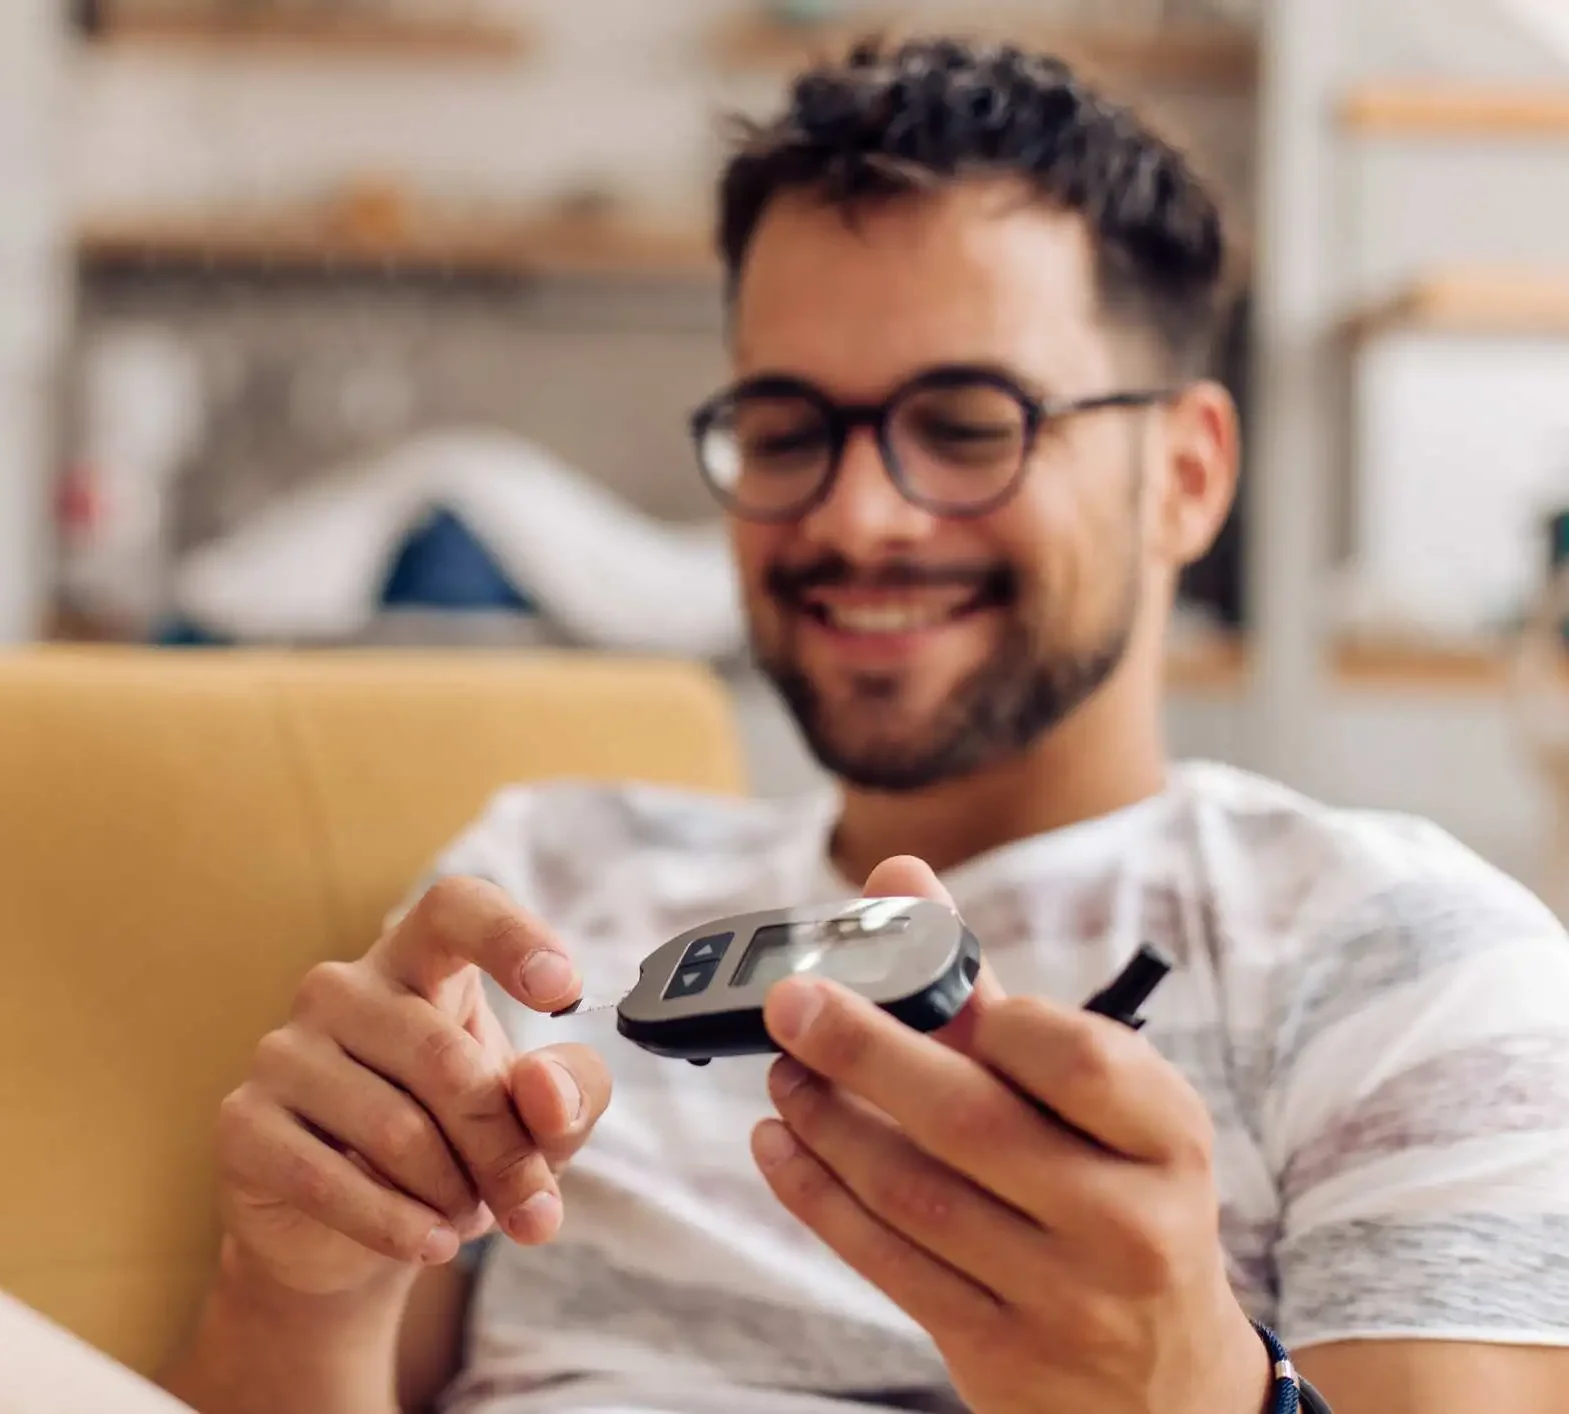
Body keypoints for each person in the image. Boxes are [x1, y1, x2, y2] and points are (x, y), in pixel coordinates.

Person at [159, 35, 1569, 1414]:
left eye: (966, 424)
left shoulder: (1409, 958)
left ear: (1187, 476)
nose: (854, 515)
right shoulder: (543, 881)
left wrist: (1197, 1392)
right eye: (786, 432)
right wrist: (300, 1288)